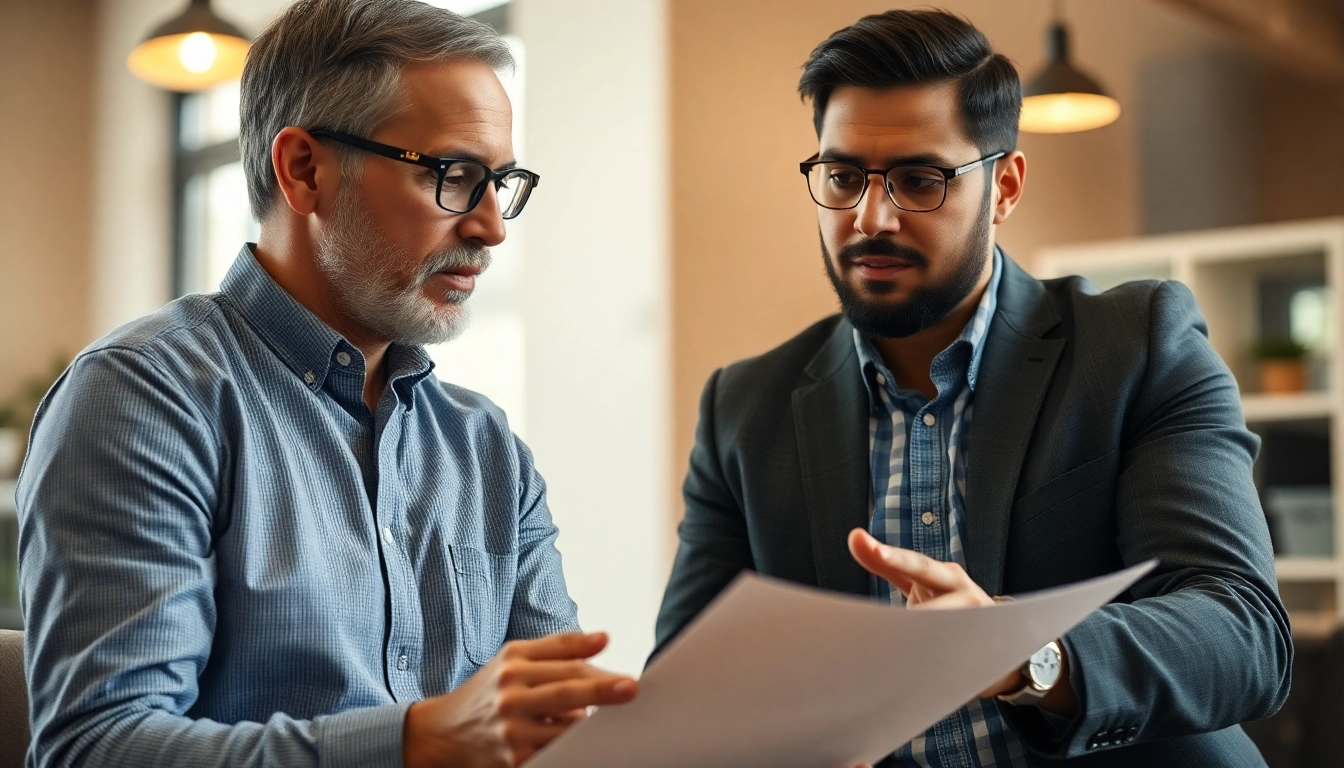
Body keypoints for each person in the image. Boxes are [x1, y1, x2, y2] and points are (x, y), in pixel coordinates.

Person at [654, 9, 1291, 766]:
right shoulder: (744, 409)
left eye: (920, 180)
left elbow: (1242, 630)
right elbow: (685, 691)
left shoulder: (1136, 344)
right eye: (843, 176)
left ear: (1006, 185)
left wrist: (1028, 654)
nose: (871, 217)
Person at [17, 1, 637, 766]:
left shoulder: (487, 452)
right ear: (304, 169)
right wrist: (414, 742)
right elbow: (97, 748)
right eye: (453, 176)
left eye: (500, 182)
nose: (490, 227)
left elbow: (558, 728)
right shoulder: (143, 400)